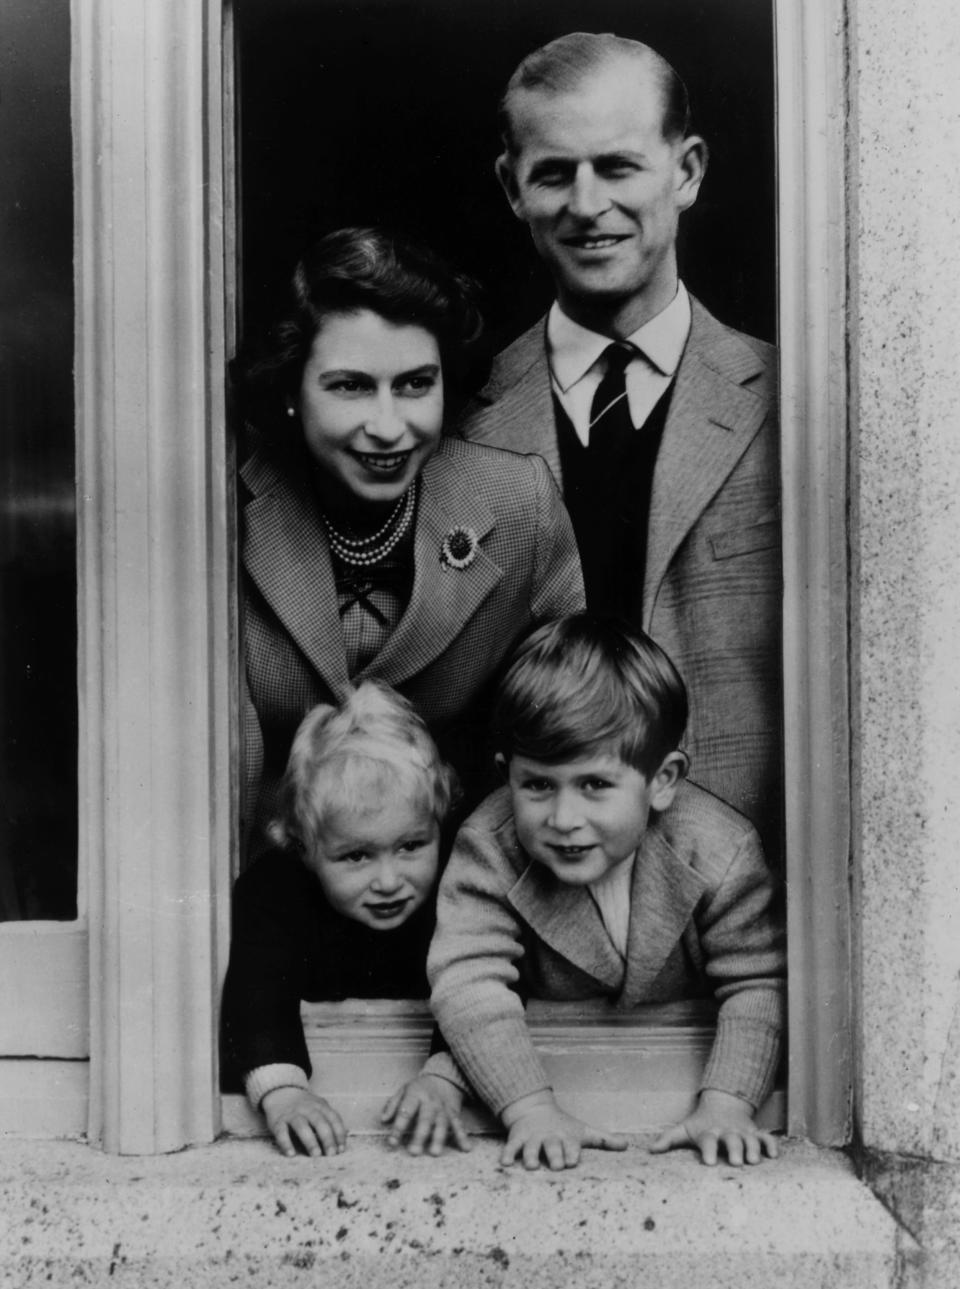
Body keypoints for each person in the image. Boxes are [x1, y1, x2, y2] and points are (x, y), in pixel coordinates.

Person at [458, 33, 782, 860]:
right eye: (555, 173)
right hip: (519, 928)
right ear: (511, 187)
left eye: (619, 166)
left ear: (688, 170)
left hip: (740, 928)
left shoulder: (792, 404)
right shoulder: (461, 418)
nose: (587, 203)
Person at [235, 226, 584, 855]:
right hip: (260, 884)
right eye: (351, 386)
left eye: (416, 384)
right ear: (290, 390)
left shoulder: (518, 505)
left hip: (454, 881)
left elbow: (569, 728)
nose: (390, 426)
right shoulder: (226, 510)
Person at [428, 616, 786, 1170]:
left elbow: (758, 980)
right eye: (538, 785)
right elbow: (470, 981)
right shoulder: (489, 847)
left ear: (662, 780)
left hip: (676, 1080)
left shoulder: (719, 848)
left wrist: (728, 1104)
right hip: (555, 1074)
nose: (564, 818)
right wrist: (530, 1111)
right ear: (506, 775)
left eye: (594, 785)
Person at [221, 681, 471, 1157]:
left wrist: (446, 1078)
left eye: (411, 846)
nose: (389, 880)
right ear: (303, 847)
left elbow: (479, 982)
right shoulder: (275, 893)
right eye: (357, 856)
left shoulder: (457, 886)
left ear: (439, 824)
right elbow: (256, 990)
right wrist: (282, 1091)